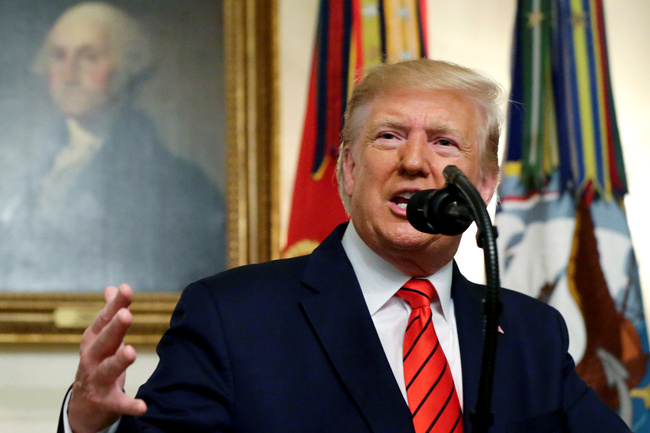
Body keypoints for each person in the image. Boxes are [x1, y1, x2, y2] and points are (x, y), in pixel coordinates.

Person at [58, 59, 631, 432]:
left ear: (483, 187)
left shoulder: (530, 332)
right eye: (389, 137)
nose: (414, 161)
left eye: (444, 142)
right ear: (349, 170)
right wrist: (89, 422)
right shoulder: (233, 317)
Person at [0, 2, 226, 292]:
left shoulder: (181, 186)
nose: (68, 74)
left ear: (125, 67)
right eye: (58, 56)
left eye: (89, 57)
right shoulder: (27, 172)